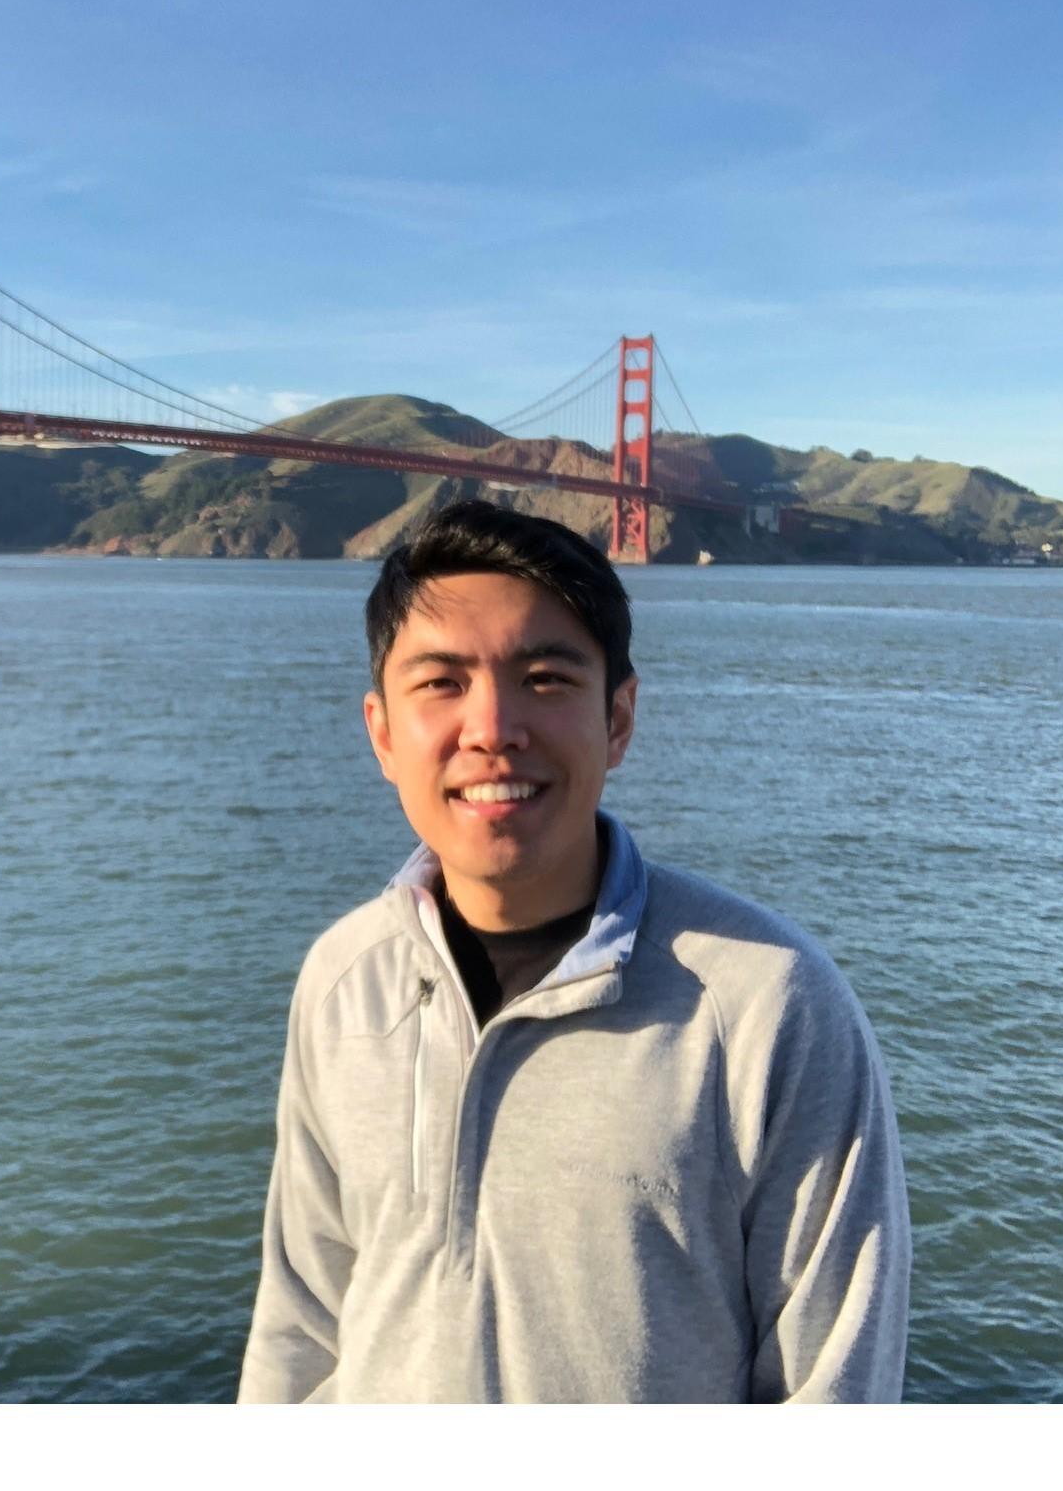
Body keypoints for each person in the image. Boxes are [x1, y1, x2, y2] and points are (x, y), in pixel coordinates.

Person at [239, 500, 909, 1403]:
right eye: (441, 683)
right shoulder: (344, 980)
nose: (492, 728)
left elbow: (835, 1387)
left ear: (619, 718)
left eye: (546, 678)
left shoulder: (769, 1005)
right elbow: (301, 1330)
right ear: (383, 733)